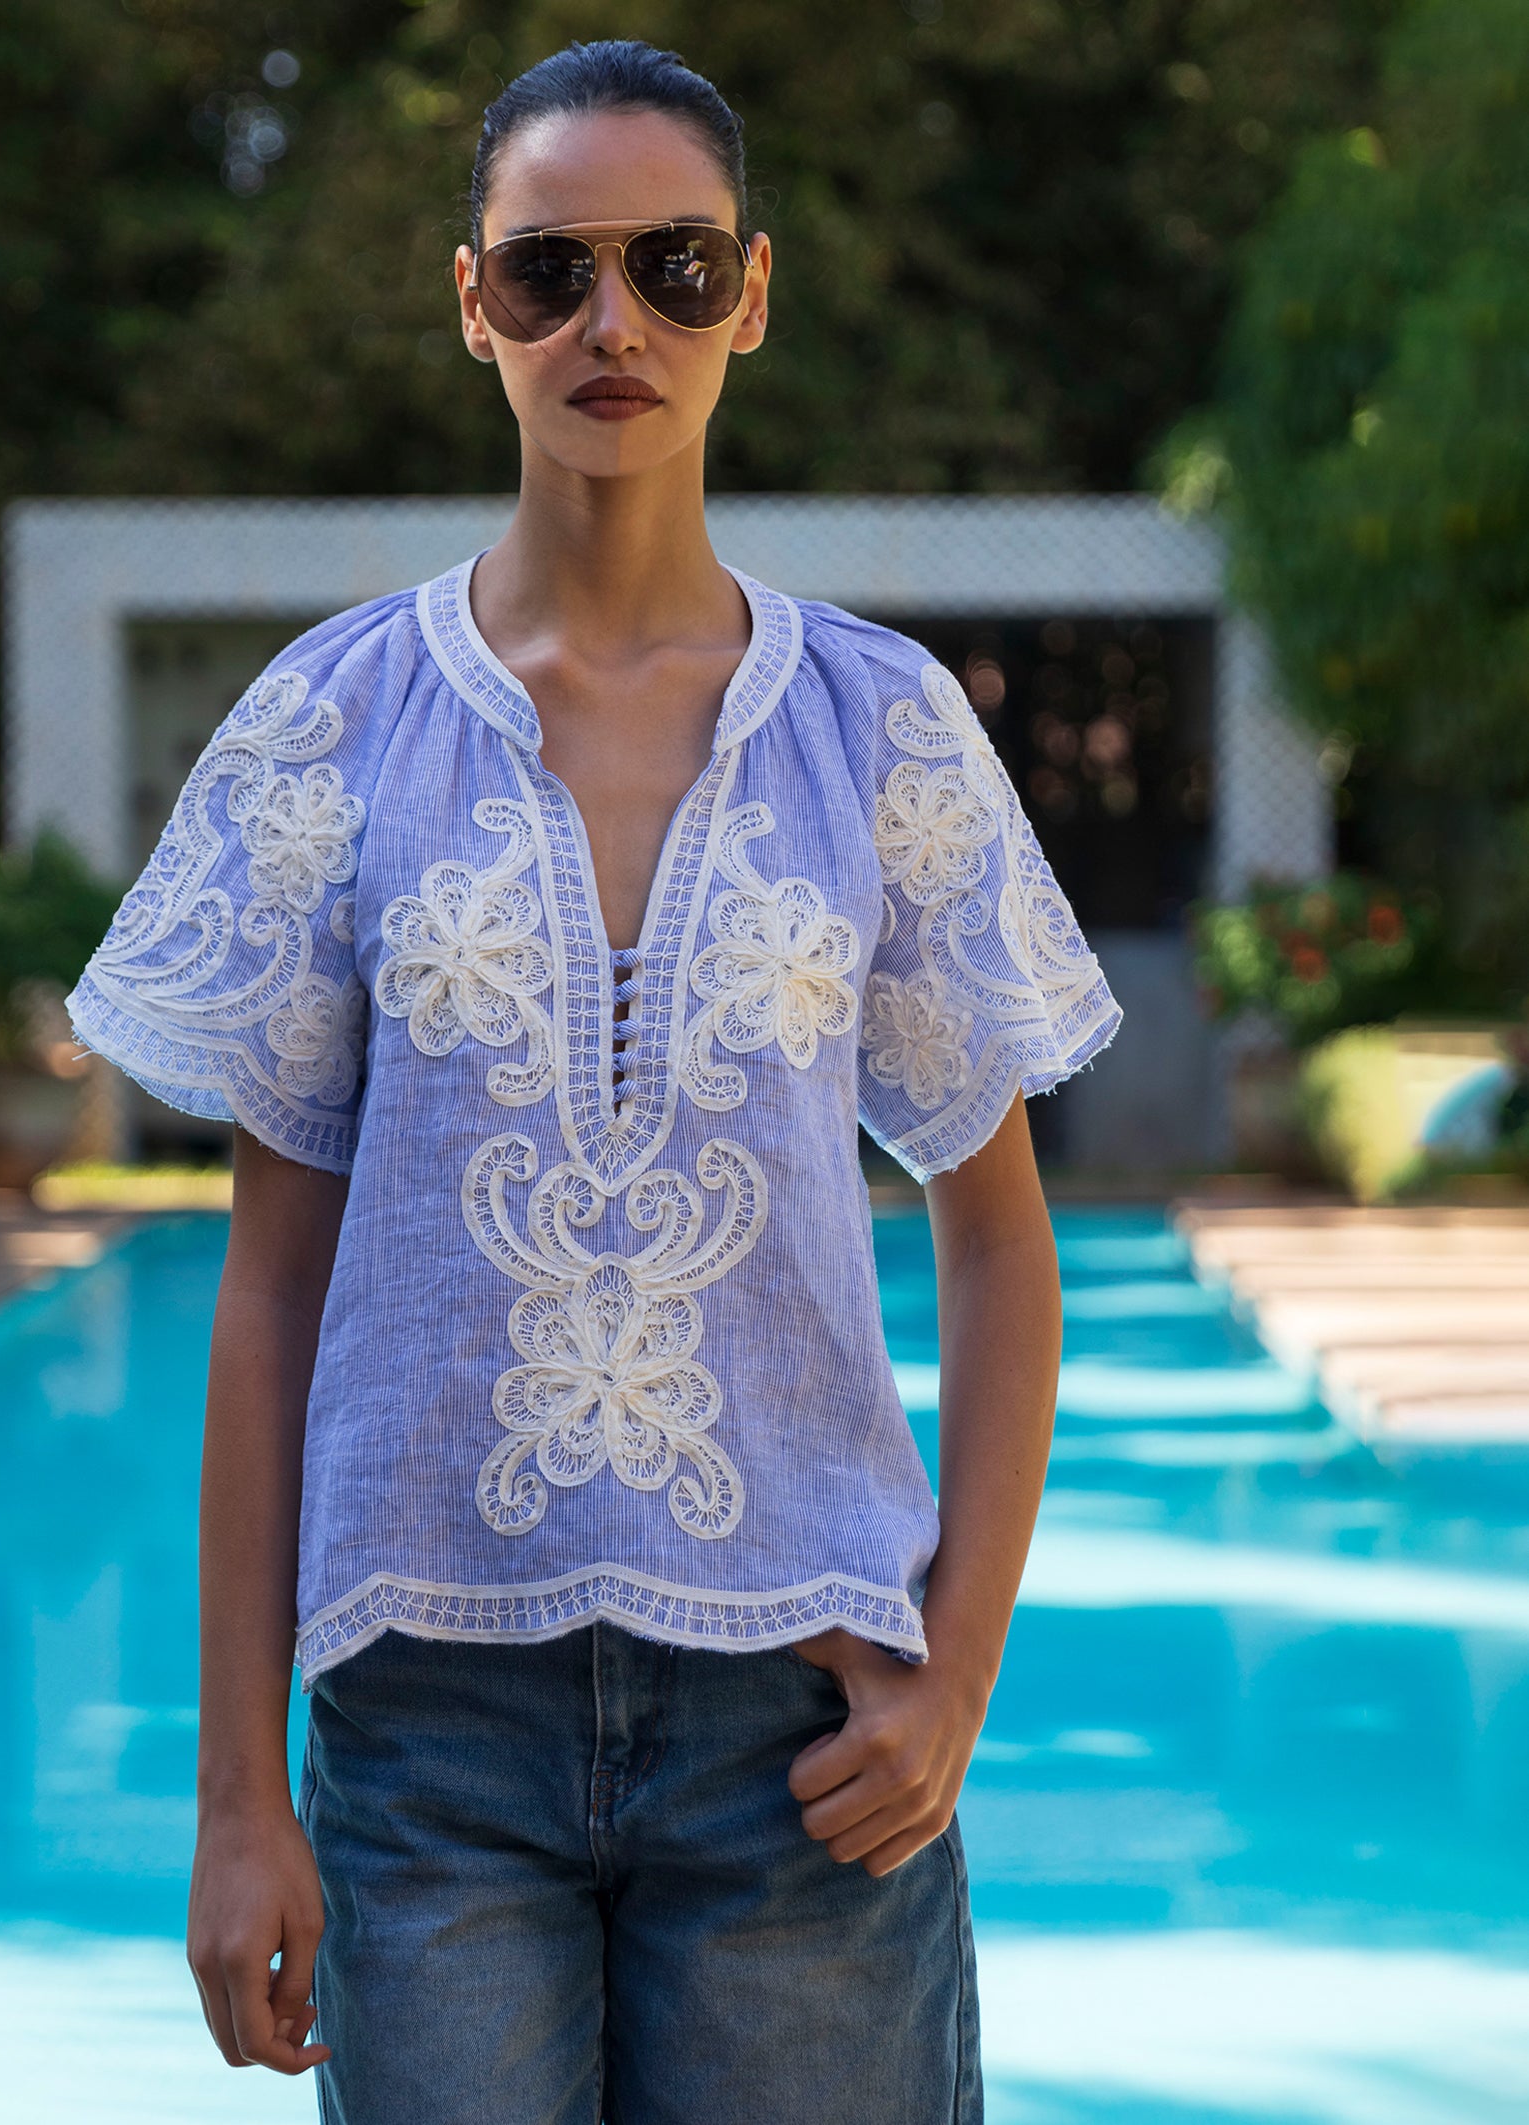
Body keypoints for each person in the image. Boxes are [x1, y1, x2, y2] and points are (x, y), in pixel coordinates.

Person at [68, 38, 1121, 2125]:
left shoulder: (879, 731)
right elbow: (264, 1294)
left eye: (671, 264)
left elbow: (995, 1232)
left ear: (753, 291)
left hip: (802, 1743)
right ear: (474, 306)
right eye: (548, 272)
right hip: (424, 1750)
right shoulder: (333, 728)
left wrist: (959, 1676)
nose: (609, 323)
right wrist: (232, 1798)